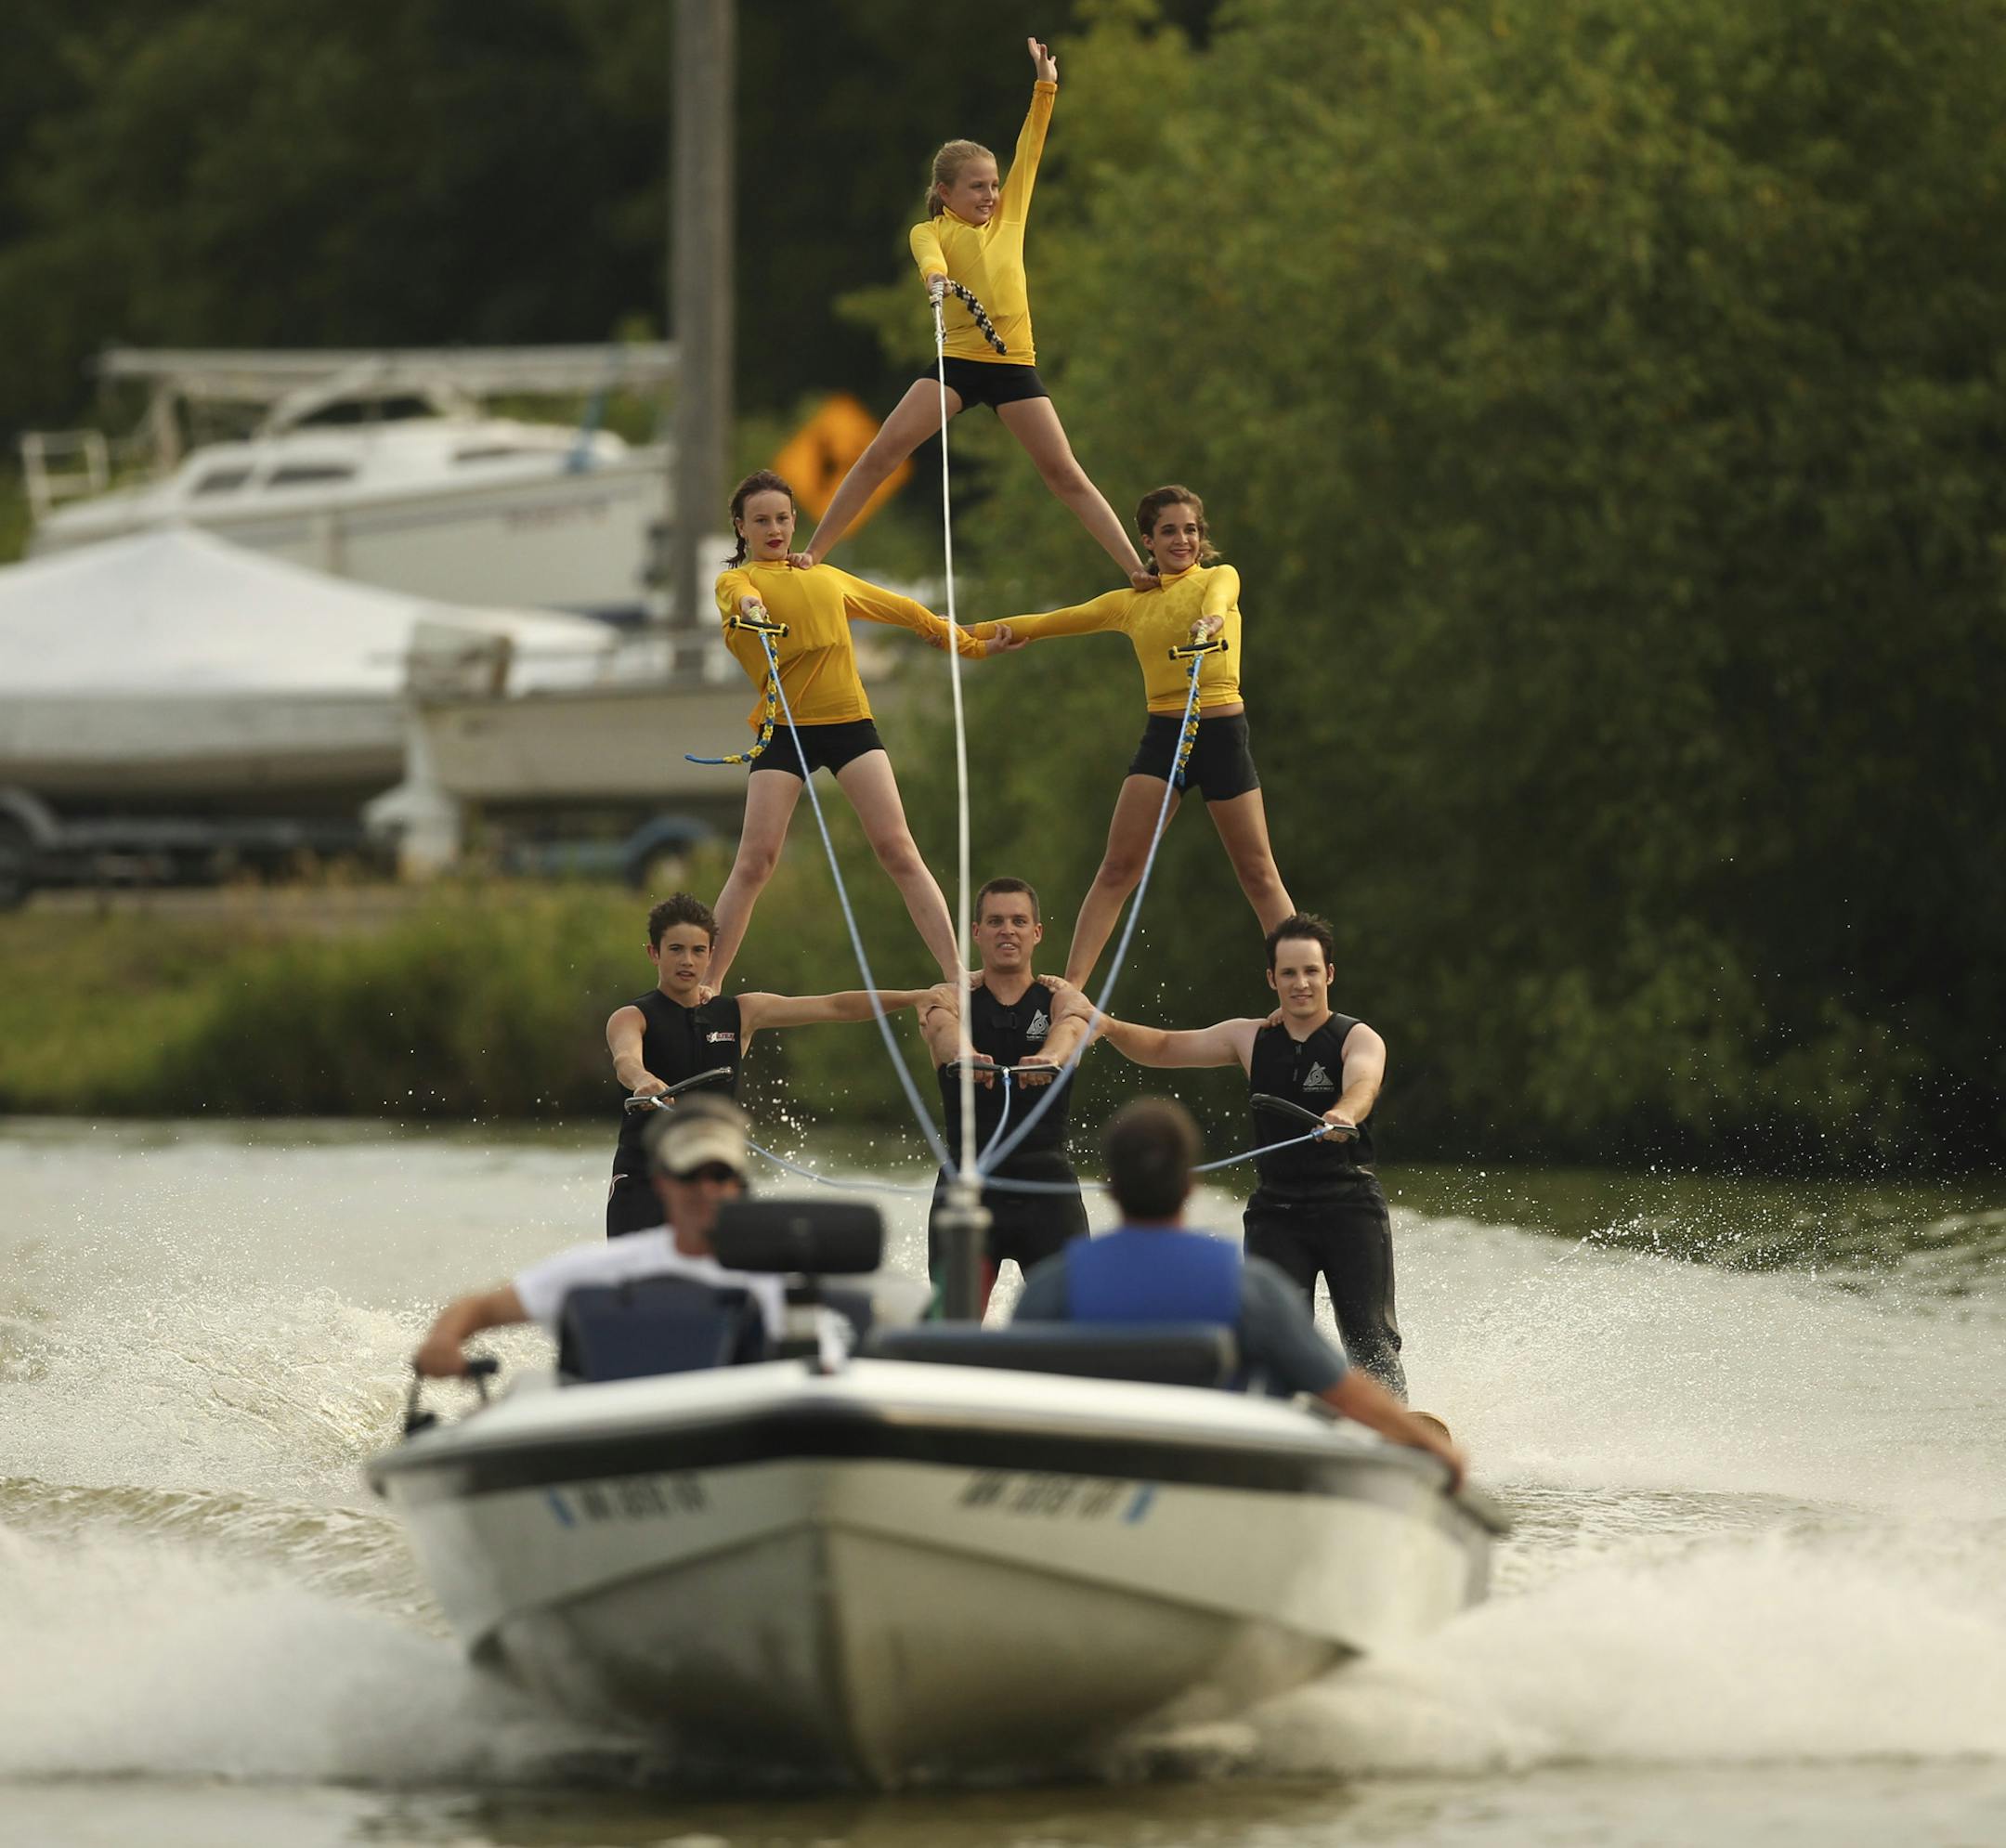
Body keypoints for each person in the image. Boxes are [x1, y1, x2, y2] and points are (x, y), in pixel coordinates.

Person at [786, 38, 1152, 591]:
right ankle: (814, 553)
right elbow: (929, 258)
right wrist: (936, 280)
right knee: (882, 452)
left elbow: (1031, 148)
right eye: (978, 187)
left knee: (1063, 472)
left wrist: (1045, 85)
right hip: (956, 360)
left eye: (994, 185)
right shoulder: (929, 230)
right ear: (945, 192)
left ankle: (1136, 570)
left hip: (1012, 364)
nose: (990, 195)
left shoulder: (1009, 216)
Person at [1012, 1100, 1462, 1487]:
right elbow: (1344, 1393)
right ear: (1191, 1186)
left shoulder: (1053, 1287)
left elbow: (1012, 1403)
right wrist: (1439, 1453)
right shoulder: (1249, 1288)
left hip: (1100, 1477)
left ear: (1110, 1187)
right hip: (1220, 1480)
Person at [1051, 913, 1408, 1397]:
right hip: (1277, 1215)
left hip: (1350, 1209)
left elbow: (1363, 1082)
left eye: (1309, 971)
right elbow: (1163, 1047)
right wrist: (1108, 1026)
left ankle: (1390, 1426)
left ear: (1329, 974)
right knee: (1272, 1340)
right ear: (1271, 979)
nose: (1300, 983)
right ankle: (1280, 1429)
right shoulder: (1249, 1037)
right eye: (1288, 973)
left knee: (1369, 1337)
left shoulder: (1358, 1038)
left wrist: (1344, 1113)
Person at [706, 470, 1019, 992]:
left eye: (782, 518)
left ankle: (955, 971)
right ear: (741, 527)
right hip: (786, 731)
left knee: (897, 848)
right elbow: (738, 597)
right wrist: (752, 611)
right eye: (761, 520)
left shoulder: (827, 577)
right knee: (756, 861)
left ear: (794, 520)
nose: (774, 529)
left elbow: (911, 613)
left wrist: (972, 645)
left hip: (850, 724)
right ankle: (710, 983)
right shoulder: (737, 581)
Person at [972, 487, 1295, 987]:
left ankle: (1301, 983)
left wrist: (1210, 620)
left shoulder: (1219, 578)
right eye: (1169, 531)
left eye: (1191, 530)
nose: (1182, 540)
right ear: (1147, 540)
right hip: (1165, 735)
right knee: (1118, 868)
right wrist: (955, 632)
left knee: (1257, 872)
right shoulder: (1130, 604)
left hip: (1221, 733)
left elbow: (1219, 597)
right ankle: (1070, 992)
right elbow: (1047, 622)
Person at [605, 892, 931, 1237]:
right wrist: (643, 1080)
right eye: (675, 949)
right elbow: (625, 1058)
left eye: (698, 950)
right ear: (653, 953)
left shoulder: (741, 1012)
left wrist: (915, 998)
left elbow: (835, 1007)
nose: (687, 960)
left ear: (711, 955)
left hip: (717, 1176)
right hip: (645, 1175)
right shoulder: (632, 1017)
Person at [413, 1096, 785, 1377]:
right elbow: (479, 1308)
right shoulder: (606, 1268)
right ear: (662, 1183)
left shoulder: (786, 1275)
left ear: (738, 1184)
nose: (706, 1190)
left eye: (719, 1176)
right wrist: (442, 1341)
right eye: (690, 1175)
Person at [917, 877, 1090, 1314]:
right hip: (969, 1188)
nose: (1006, 930)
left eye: (1018, 921)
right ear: (976, 933)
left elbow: (1072, 1029)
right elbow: (941, 1029)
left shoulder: (1059, 999)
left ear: (1036, 933)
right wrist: (965, 1055)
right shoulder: (950, 999)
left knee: (1074, 1332)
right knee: (954, 1335)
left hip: (1046, 1191)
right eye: (995, 921)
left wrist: (1048, 1057)